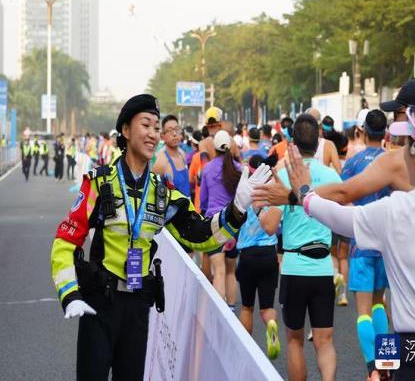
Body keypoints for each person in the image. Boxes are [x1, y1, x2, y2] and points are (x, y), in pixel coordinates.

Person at [50, 94, 270, 381]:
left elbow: (202, 235)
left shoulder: (163, 192)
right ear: (126, 131)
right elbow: (65, 241)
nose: (153, 134)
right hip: (99, 305)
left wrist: (237, 210)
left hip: (138, 307)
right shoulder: (99, 182)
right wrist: (70, 295)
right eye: (146, 125)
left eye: (157, 127)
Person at [285, 96, 415, 381]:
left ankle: (377, 367)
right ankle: (382, 367)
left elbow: (339, 215)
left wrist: (305, 193)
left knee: (372, 309)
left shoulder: (395, 211)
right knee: (380, 306)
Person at [252, 80, 415, 209]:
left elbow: (344, 193)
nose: (393, 121)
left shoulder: (395, 160)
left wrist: (294, 196)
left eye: (397, 114)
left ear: (411, 114)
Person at [259, 113, 341, 381]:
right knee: (324, 341)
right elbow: (343, 216)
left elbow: (270, 226)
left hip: (294, 267)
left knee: (294, 341)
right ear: (318, 142)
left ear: (292, 142)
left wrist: (259, 210)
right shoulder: (331, 175)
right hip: (323, 267)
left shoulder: (284, 175)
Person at [341, 109, 390, 379]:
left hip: (360, 242)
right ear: (385, 133)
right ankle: (388, 366)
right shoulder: (393, 161)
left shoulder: (353, 162)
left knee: (363, 312)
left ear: (362, 131)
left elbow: (342, 195)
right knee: (380, 304)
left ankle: (373, 370)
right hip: (386, 243)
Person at [236, 154, 281, 360]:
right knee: (267, 307)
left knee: (247, 306)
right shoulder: (272, 192)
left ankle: (247, 351)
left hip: (247, 254)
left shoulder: (244, 190)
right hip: (268, 253)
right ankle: (271, 324)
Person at [201, 130, 241, 312]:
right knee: (231, 270)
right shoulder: (238, 168)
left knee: (218, 270)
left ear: (214, 147)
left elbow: (203, 200)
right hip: (233, 225)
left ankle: (219, 314)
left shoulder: (207, 169)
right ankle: (231, 309)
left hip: (214, 224)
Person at [152, 115, 190, 197]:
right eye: (169, 130)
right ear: (163, 136)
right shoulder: (161, 161)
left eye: (176, 129)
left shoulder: (182, 154)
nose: (174, 134)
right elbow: (153, 191)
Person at [305, 108, 342, 174]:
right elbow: (339, 172)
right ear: (320, 125)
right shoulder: (329, 145)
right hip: (324, 180)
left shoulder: (295, 144)